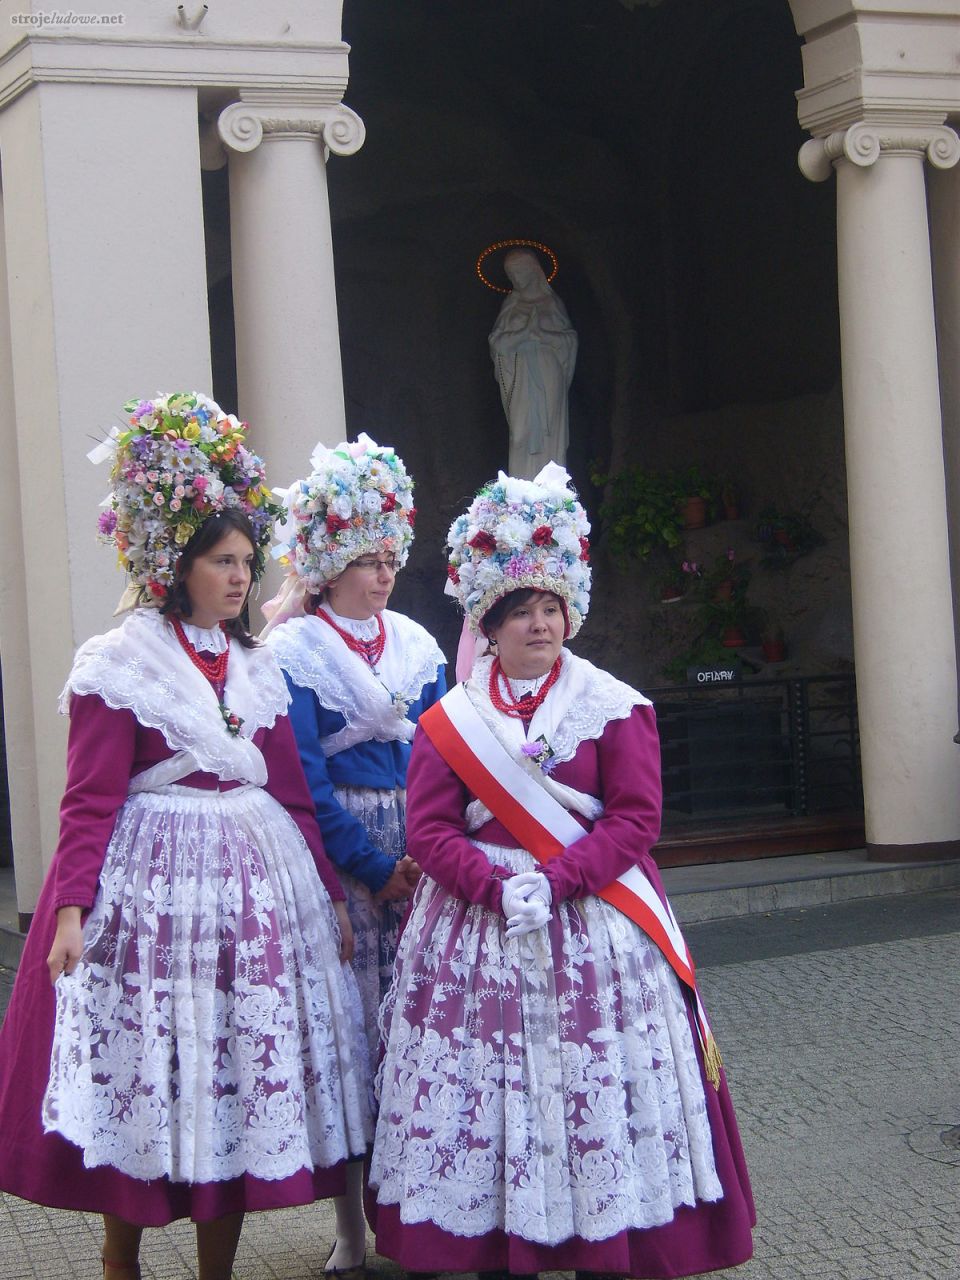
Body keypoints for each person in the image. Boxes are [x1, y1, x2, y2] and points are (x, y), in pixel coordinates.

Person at [0, 393, 372, 1280]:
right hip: (150, 899)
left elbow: (293, 795)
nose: (241, 578)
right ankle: (119, 1261)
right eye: (222, 561)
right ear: (178, 565)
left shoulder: (257, 667)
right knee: (146, 1067)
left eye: (248, 561)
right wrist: (70, 912)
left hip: (254, 907)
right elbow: (88, 800)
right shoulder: (120, 664)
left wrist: (328, 893)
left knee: (237, 1081)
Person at [367, 462, 756, 1278]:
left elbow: (637, 821)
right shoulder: (448, 723)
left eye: (551, 608)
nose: (539, 625)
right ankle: (497, 1237)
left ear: (569, 613)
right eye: (521, 612)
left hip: (595, 926)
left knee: (594, 1088)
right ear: (491, 623)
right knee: (493, 1092)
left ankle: (606, 1237)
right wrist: (496, 887)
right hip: (479, 930)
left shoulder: (614, 705)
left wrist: (557, 880)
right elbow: (431, 831)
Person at [265, 433, 446, 1280]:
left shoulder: (415, 641)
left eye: (389, 558)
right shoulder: (295, 651)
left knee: (422, 1029)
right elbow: (301, 774)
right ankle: (349, 1223)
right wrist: (372, 867)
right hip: (345, 858)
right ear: (328, 562)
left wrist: (437, 842)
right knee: (351, 1035)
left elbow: (446, 748)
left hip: (428, 845)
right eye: (366, 560)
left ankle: (429, 1210)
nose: (382, 575)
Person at [489, 249, 578, 480]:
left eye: (519, 271)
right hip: (521, 374)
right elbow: (496, 342)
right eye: (511, 273)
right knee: (520, 433)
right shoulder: (511, 304)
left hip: (550, 372)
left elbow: (569, 340)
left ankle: (552, 491)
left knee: (550, 429)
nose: (516, 277)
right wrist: (522, 335)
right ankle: (521, 488)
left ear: (532, 269)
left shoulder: (552, 303)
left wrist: (541, 336)